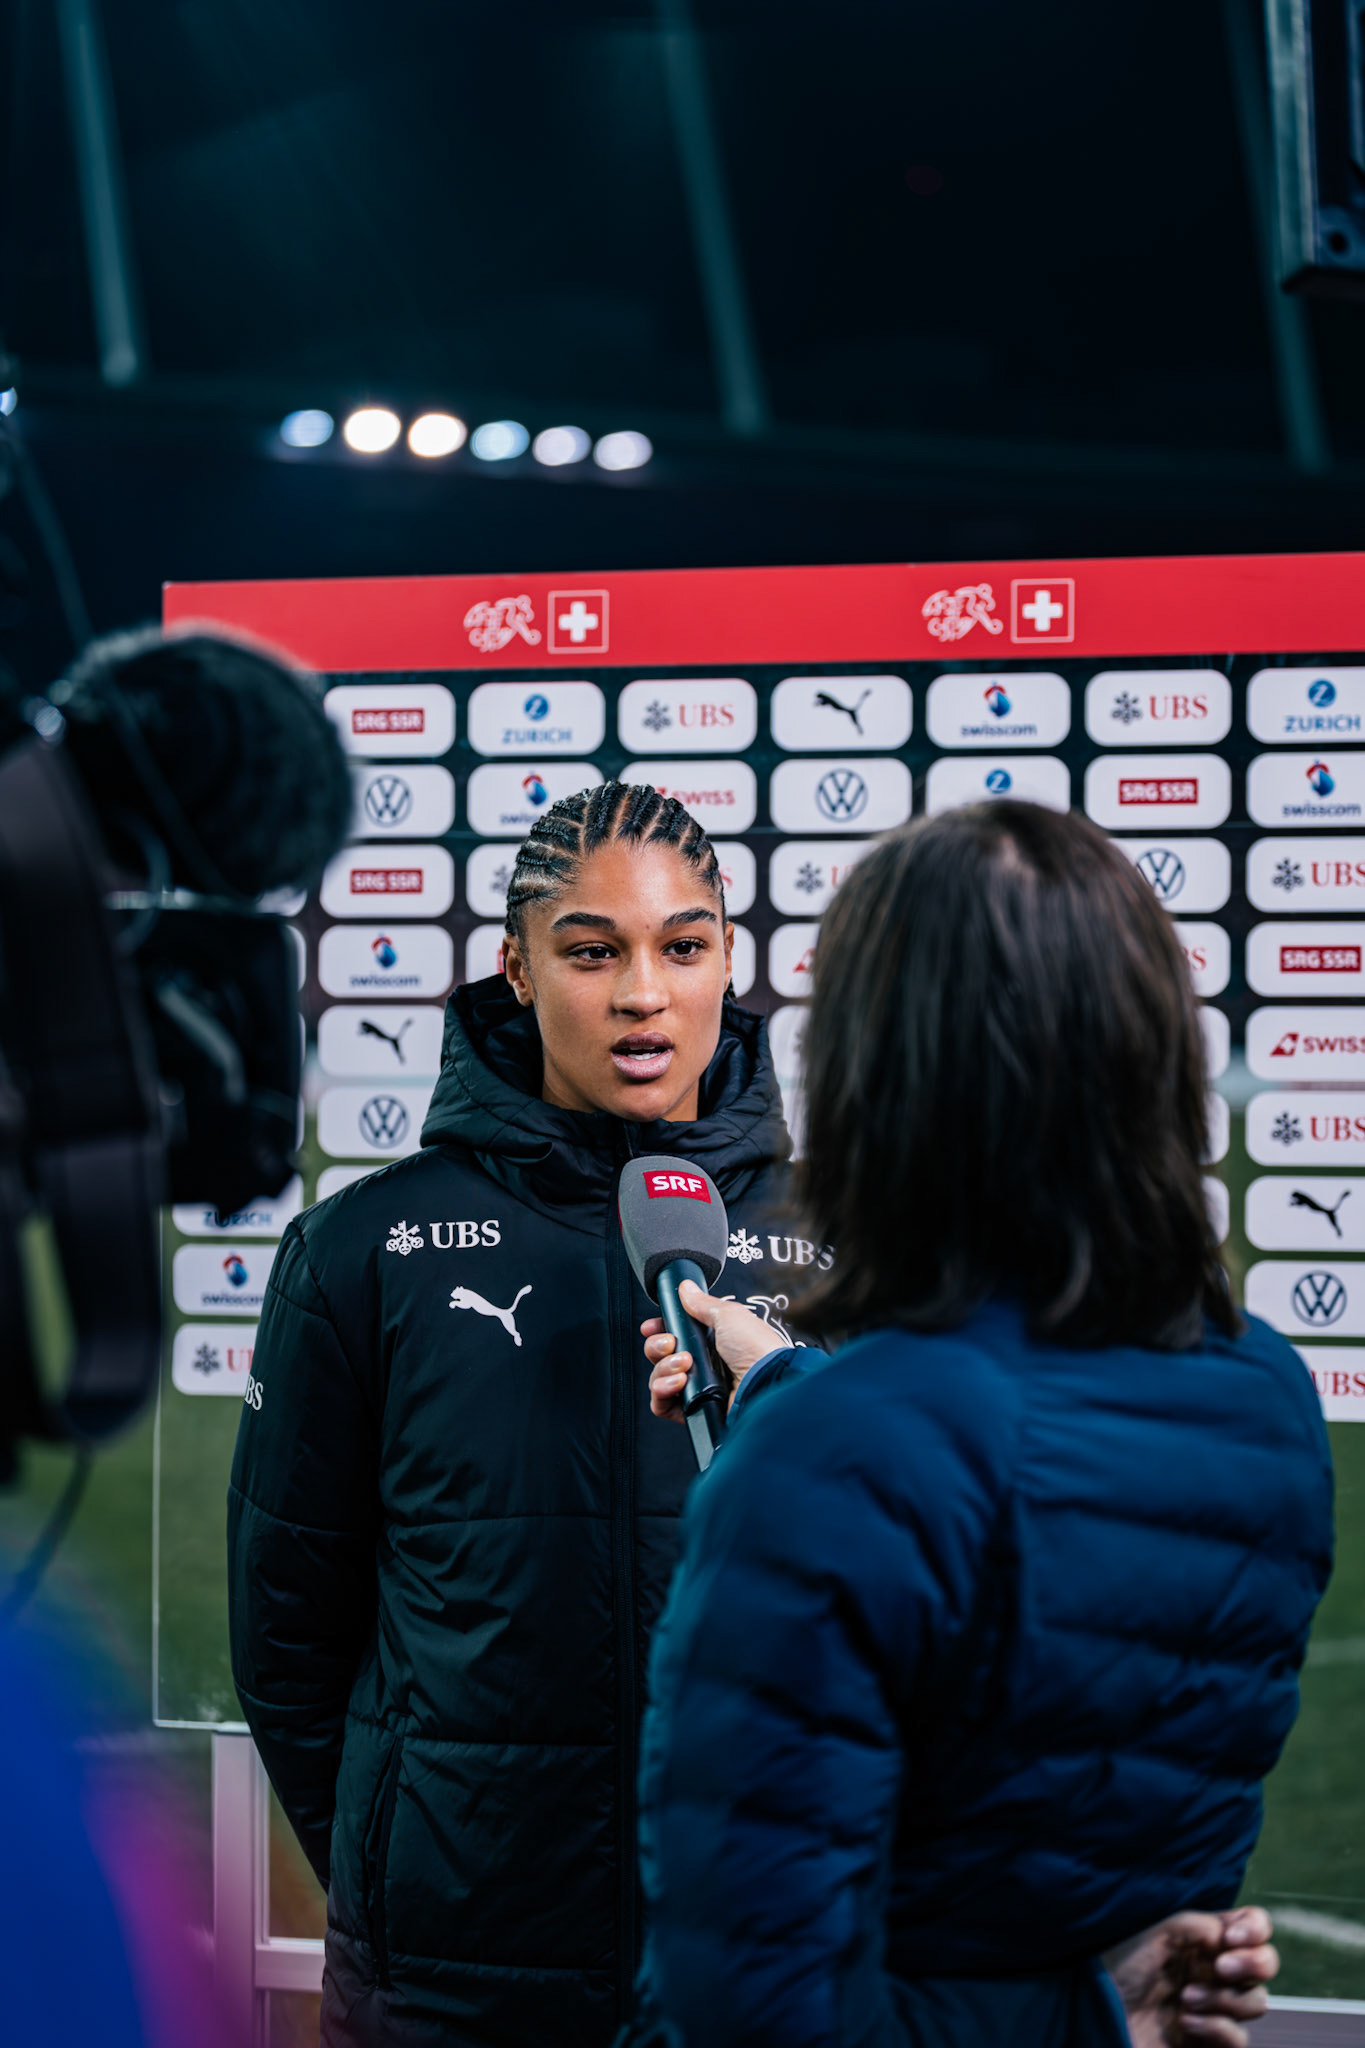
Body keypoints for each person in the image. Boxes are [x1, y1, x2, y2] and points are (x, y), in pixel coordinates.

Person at [634, 800, 1333, 2048]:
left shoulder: (844, 1456)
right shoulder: (1265, 1390)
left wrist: (1081, 2023)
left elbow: (757, 2019)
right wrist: (792, 1380)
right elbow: (1011, 1497)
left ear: (885, 1077)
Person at [227, 783, 802, 2047]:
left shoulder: (851, 1240)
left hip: (763, 1970)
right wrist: (405, 1881)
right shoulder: (365, 1246)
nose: (644, 992)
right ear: (519, 968)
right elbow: (287, 1633)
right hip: (448, 1987)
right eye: (593, 951)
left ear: (726, 960)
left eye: (684, 945)